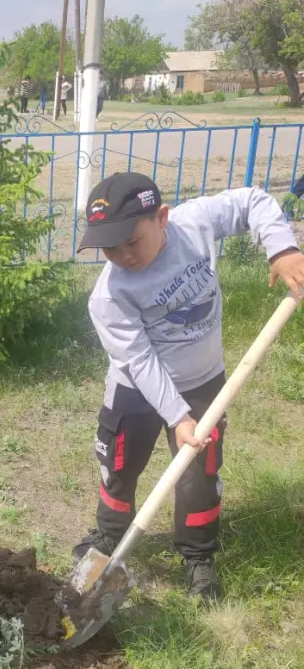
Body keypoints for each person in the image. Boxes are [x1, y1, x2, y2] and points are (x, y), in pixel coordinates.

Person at [72, 173, 304, 600]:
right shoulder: (110, 295)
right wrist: (176, 416)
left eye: (131, 241)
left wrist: (283, 248)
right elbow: (139, 361)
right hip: (136, 389)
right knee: (118, 464)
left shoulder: (194, 222)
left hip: (203, 384)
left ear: (162, 218)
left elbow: (251, 201)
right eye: (109, 246)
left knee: (200, 472)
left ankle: (198, 557)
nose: (122, 255)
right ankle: (108, 537)